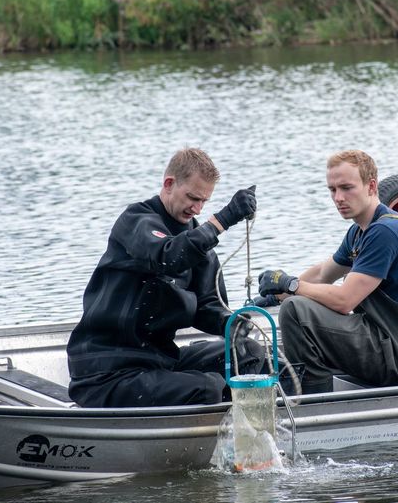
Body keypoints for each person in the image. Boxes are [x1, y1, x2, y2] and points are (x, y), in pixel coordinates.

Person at [67, 147, 264, 407]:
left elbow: (208, 308)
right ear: (169, 184)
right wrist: (223, 220)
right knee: (208, 388)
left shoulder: (198, 242)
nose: (197, 208)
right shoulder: (136, 221)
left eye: (204, 201)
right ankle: (218, 433)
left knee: (250, 354)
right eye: (192, 198)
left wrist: (233, 325)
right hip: (107, 373)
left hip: (159, 363)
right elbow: (168, 257)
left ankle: (244, 435)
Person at [258, 150, 398, 394]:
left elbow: (345, 301)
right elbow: (324, 273)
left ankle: (314, 405)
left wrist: (291, 286)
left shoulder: (385, 232)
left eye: (346, 188)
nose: (338, 198)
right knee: (297, 301)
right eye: (332, 190)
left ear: (371, 186)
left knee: (296, 312)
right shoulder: (360, 231)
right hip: (395, 345)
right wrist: (276, 295)